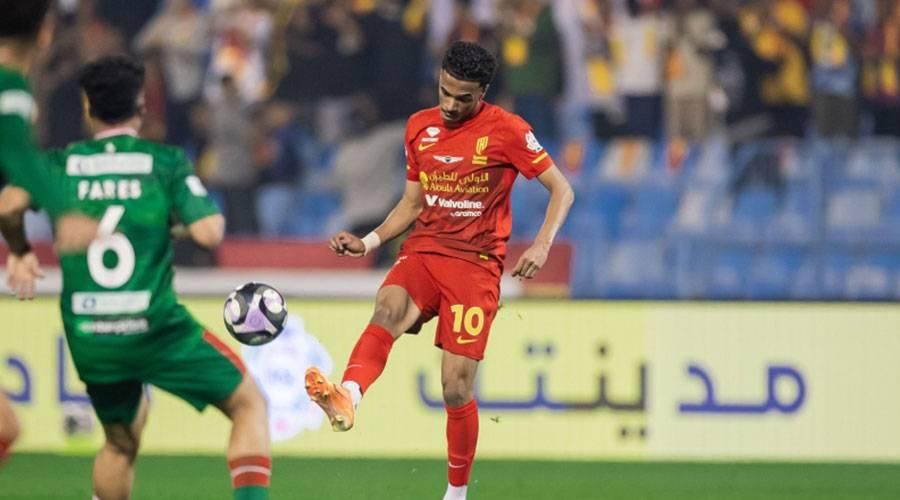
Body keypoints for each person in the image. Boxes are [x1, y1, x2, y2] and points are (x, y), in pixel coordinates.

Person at [305, 40, 575, 500]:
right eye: (444, 91)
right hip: (426, 250)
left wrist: (542, 244)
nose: (450, 104)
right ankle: (348, 394)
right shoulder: (419, 127)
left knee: (455, 387)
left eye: (462, 98)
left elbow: (562, 189)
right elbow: (412, 203)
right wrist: (368, 242)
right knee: (387, 308)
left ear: (482, 93)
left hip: (476, 265)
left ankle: (456, 494)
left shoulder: (508, 130)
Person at [4, 56, 272, 500]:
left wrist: (19, 251)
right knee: (249, 405)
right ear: (142, 107)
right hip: (155, 327)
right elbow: (210, 232)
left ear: (88, 109)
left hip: (92, 332)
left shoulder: (62, 163)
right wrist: (170, 220)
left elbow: (8, 205)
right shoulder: (163, 162)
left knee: (120, 441)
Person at [0, 0, 98, 468]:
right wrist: (65, 210)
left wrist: (19, 246)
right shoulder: (9, 85)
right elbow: (17, 155)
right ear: (44, 32)